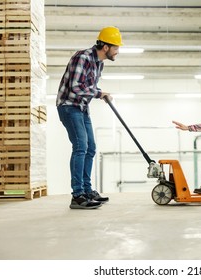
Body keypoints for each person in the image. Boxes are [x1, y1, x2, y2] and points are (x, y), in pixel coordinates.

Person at [56, 26, 123, 209]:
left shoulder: (99, 63)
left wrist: (97, 93)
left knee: (91, 148)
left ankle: (86, 190)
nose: (118, 51)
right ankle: (77, 195)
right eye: (116, 47)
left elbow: (87, 89)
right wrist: (99, 93)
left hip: (82, 108)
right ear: (106, 47)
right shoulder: (83, 57)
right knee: (81, 146)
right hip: (69, 106)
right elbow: (76, 87)